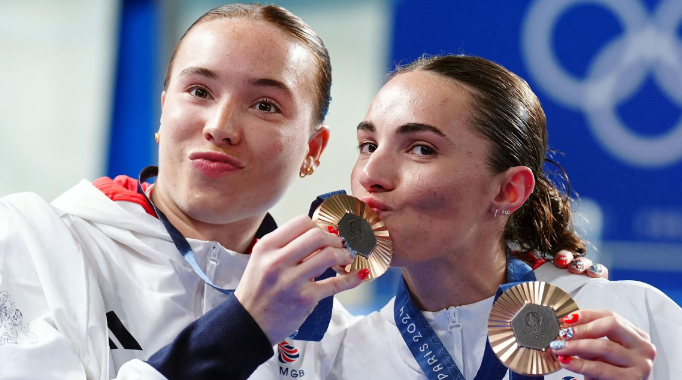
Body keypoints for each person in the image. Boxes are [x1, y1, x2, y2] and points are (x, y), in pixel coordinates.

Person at [0, 4, 605, 380]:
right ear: (163, 112)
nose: (221, 126)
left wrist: (530, 292)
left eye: (265, 104)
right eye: (199, 91)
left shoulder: (331, 332)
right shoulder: (32, 241)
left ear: (315, 149)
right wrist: (243, 328)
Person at [325, 55, 681, 380]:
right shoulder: (346, 358)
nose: (370, 172)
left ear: (508, 190)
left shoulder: (629, 318)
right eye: (368, 145)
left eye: (422, 149)